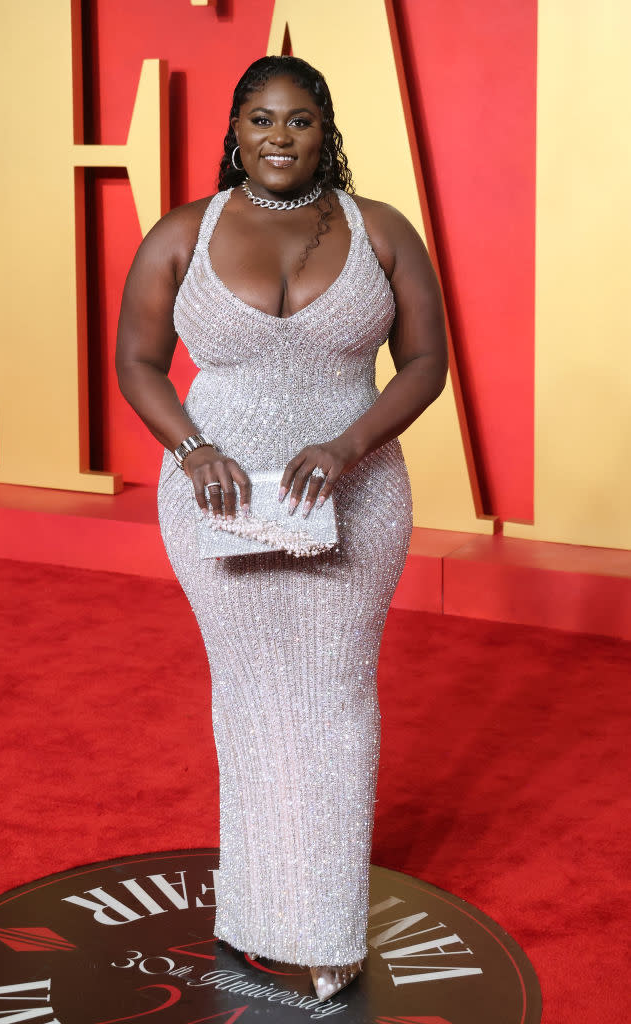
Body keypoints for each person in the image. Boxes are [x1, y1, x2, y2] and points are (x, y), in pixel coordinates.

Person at [115, 54, 447, 1003]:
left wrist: (345, 447)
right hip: (216, 505)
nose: (277, 137)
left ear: (325, 129)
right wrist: (192, 450)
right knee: (252, 703)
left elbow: (425, 360)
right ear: (235, 130)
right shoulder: (182, 232)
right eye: (259, 119)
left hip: (355, 495)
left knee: (336, 702)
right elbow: (136, 360)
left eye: (298, 120)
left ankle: (324, 929)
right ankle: (258, 911)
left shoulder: (380, 230)